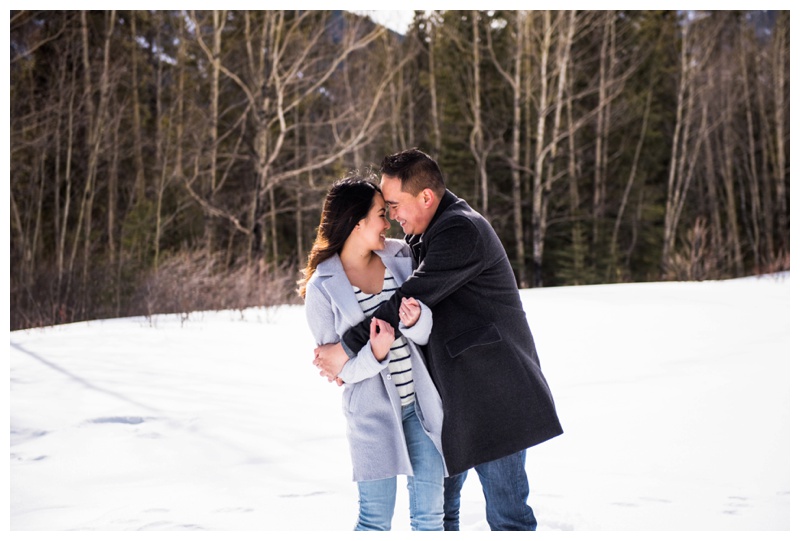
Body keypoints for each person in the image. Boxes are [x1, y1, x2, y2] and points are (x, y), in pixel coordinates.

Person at [314, 149, 563, 531]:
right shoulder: (421, 236)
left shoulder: (460, 230)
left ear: (426, 198)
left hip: (492, 395)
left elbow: (410, 297)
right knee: (441, 514)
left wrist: (347, 347)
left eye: (395, 205)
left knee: (507, 516)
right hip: (449, 402)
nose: (393, 216)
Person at [298, 175, 447, 531]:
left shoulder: (401, 257)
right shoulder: (323, 288)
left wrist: (415, 322)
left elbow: (427, 335)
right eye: (381, 214)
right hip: (371, 417)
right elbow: (339, 369)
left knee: (430, 519)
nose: (388, 222)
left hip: (422, 411)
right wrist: (375, 353)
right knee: (374, 522)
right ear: (357, 221)